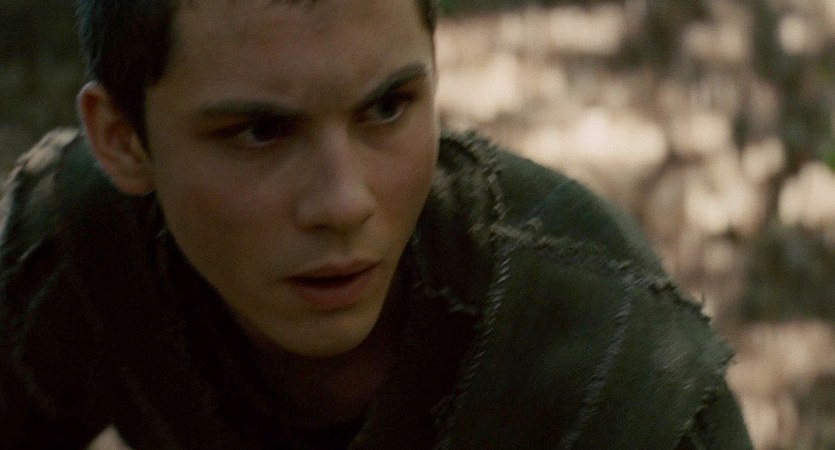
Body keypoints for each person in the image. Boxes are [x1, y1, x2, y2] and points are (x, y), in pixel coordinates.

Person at [0, 0, 753, 448]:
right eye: (260, 132)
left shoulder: (609, 368)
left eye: (387, 108)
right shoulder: (80, 248)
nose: (343, 203)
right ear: (122, 141)